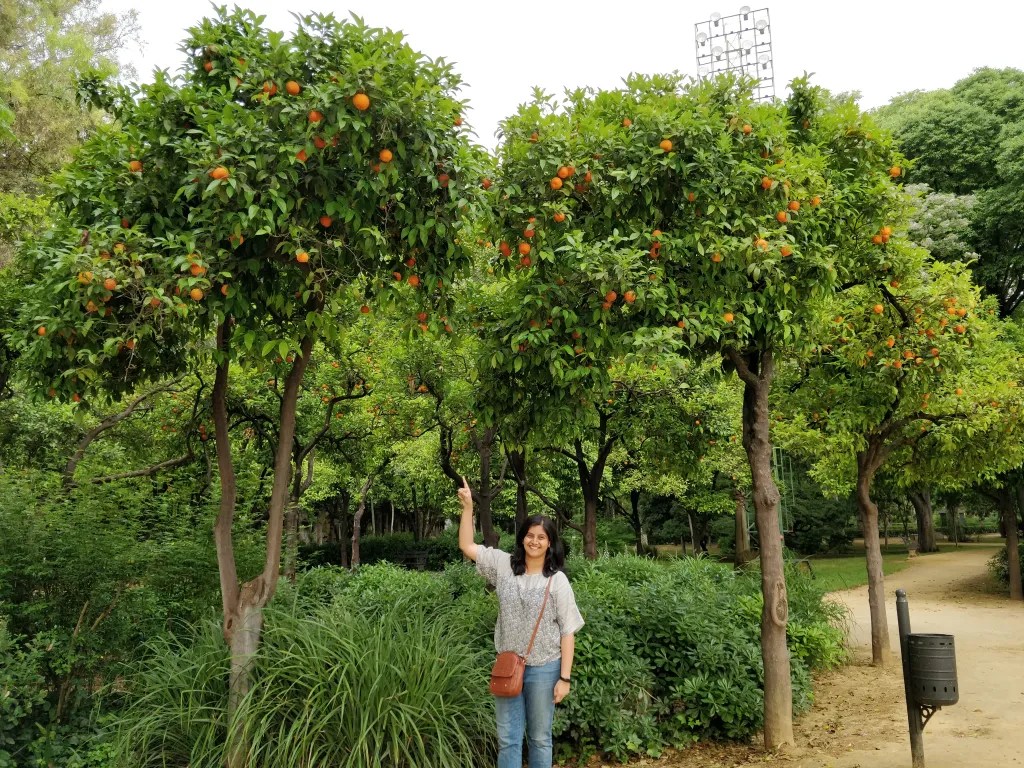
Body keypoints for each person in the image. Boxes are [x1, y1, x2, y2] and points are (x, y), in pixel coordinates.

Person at [457, 477, 584, 768]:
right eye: (530, 535)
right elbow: (466, 545)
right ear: (522, 537)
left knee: (539, 738)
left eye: (542, 537)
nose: (534, 541)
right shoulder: (503, 565)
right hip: (507, 665)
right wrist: (467, 509)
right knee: (508, 739)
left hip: (545, 668)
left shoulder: (558, 580)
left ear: (550, 543)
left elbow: (567, 631)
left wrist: (564, 678)